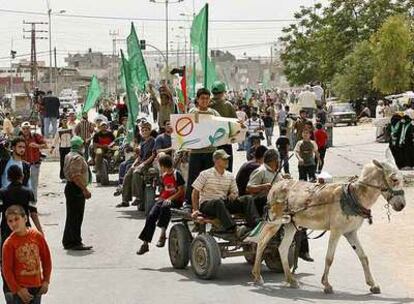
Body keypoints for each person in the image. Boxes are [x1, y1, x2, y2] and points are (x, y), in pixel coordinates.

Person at [191, 149, 260, 236]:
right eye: (224, 159)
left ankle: (255, 224)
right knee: (218, 202)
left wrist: (233, 195)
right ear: (216, 160)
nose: (227, 161)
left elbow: (235, 192)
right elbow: (195, 192)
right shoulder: (205, 174)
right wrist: (196, 210)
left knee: (247, 198)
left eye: (227, 159)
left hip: (222, 204)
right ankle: (233, 228)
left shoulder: (230, 176)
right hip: (207, 204)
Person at [0, 166, 43, 302]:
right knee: (26, 260)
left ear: (7, 177)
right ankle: (30, 293)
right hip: (26, 232)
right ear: (22, 177)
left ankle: (10, 293)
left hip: (7, 232)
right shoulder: (28, 192)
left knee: (7, 264)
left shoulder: (2, 192)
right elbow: (33, 213)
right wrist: (40, 231)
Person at [2, 205, 51, 304]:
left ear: (25, 218)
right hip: (20, 289)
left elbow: (46, 259)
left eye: (16, 219)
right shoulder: (9, 243)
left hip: (37, 287)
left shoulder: (37, 236)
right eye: (10, 221)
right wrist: (17, 289)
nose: (13, 223)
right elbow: (7, 270)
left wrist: (46, 281)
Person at [137, 154, 185, 255]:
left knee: (165, 206)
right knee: (151, 216)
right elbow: (164, 190)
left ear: (163, 166)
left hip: (175, 200)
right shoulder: (163, 176)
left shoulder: (177, 174)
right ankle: (145, 244)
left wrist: (170, 199)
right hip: (163, 199)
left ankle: (162, 235)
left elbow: (181, 191)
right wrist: (161, 199)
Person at [185, 88, 220, 203]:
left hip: (210, 151)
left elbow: (224, 125)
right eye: (202, 98)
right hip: (196, 151)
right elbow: (186, 127)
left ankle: (207, 202)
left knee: (209, 179)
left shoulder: (214, 113)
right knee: (194, 179)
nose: (204, 101)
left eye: (206, 98)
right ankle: (189, 203)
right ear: (197, 99)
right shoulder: (192, 112)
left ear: (209, 100)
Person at [62, 136, 93, 250]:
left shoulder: (69, 155)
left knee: (71, 215)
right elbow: (76, 176)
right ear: (80, 146)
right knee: (76, 216)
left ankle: (68, 240)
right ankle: (75, 242)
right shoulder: (77, 158)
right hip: (75, 188)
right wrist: (85, 189)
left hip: (70, 187)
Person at [118, 122, 155, 208]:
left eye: (146, 130)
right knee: (128, 173)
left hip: (148, 164)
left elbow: (153, 155)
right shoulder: (142, 143)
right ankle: (125, 200)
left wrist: (143, 164)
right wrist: (134, 164)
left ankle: (138, 196)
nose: (144, 132)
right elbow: (139, 156)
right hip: (140, 163)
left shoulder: (153, 141)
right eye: (143, 130)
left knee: (136, 173)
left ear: (150, 131)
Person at [210, 81, 237, 172]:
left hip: (210, 142)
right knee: (227, 167)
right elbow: (235, 122)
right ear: (223, 93)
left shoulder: (208, 105)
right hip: (226, 141)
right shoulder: (228, 105)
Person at [246, 149, 282, 215]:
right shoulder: (261, 171)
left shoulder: (277, 173)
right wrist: (263, 186)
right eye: (278, 160)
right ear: (274, 161)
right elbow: (249, 188)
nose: (279, 162)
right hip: (262, 202)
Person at [20, 122, 47, 202]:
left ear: (30, 128)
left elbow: (45, 145)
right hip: (23, 164)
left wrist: (37, 146)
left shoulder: (35, 136)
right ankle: (25, 202)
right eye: (24, 128)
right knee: (23, 184)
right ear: (22, 129)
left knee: (34, 184)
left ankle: (33, 203)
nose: (26, 130)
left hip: (34, 164)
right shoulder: (19, 138)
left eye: (27, 128)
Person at [51, 116, 73, 181]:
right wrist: (52, 148)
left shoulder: (70, 129)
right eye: (63, 120)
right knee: (62, 162)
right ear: (61, 121)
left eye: (66, 120)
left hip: (69, 147)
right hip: (62, 147)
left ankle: (69, 176)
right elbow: (56, 139)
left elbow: (73, 137)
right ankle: (63, 176)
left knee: (69, 162)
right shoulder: (59, 130)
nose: (65, 122)